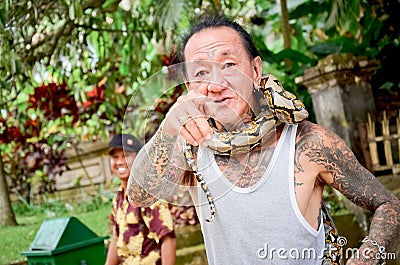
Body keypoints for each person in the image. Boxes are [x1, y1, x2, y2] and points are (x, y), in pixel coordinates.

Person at [127, 14, 400, 265]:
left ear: (256, 71)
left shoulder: (309, 143)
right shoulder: (189, 147)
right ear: (188, 87)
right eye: (200, 73)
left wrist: (363, 260)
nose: (216, 83)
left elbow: (389, 205)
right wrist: (168, 128)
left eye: (229, 64)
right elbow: (138, 196)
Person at [105, 133, 176, 265]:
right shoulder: (119, 198)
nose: (120, 161)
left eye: (126, 156)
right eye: (115, 157)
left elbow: (168, 239)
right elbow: (117, 237)